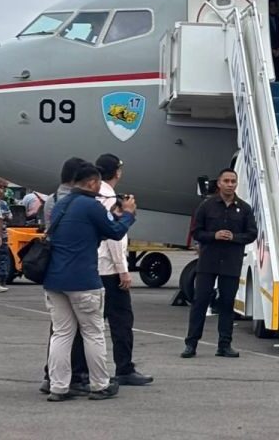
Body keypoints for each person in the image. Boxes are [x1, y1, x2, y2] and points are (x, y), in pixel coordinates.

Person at [44, 163, 136, 401]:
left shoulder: (60, 205)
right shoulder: (91, 205)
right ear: (93, 183)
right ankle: (100, 385)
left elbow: (89, 232)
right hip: (83, 279)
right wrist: (127, 214)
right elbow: (115, 232)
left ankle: (58, 386)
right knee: (93, 332)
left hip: (54, 279)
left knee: (62, 334)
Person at [182, 168, 258, 358]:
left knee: (226, 303)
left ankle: (224, 345)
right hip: (209, 261)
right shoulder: (207, 206)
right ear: (219, 184)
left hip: (231, 262)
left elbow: (252, 233)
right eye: (226, 181)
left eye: (233, 181)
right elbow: (196, 232)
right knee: (200, 301)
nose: (230, 184)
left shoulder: (244, 208)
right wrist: (213, 236)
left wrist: (235, 237)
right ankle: (191, 344)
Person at [95, 154, 152, 386]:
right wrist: (123, 270)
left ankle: (82, 370)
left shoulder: (93, 195)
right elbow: (114, 238)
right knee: (121, 321)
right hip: (109, 270)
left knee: (92, 324)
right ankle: (124, 368)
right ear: (117, 172)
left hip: (94, 267)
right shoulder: (109, 198)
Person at [39, 157, 90, 395]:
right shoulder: (78, 201)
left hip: (54, 269)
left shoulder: (51, 200)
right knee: (83, 329)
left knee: (58, 330)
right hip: (77, 270)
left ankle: (52, 376)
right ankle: (78, 376)